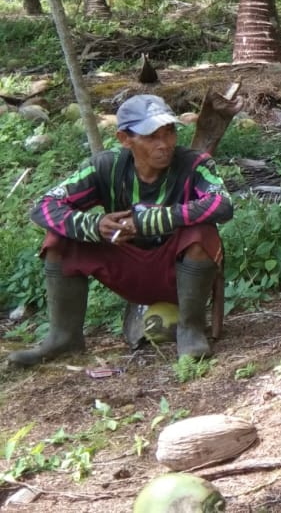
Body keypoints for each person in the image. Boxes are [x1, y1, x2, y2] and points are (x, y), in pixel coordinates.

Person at [9, 95, 233, 367]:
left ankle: (191, 331)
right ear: (125, 139)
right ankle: (63, 338)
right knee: (57, 240)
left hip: (178, 272)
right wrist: (94, 225)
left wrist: (150, 221)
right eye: (152, 136)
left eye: (170, 132)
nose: (165, 144)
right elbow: (44, 206)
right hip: (126, 268)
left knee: (202, 233)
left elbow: (222, 204)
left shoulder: (195, 164)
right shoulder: (106, 166)